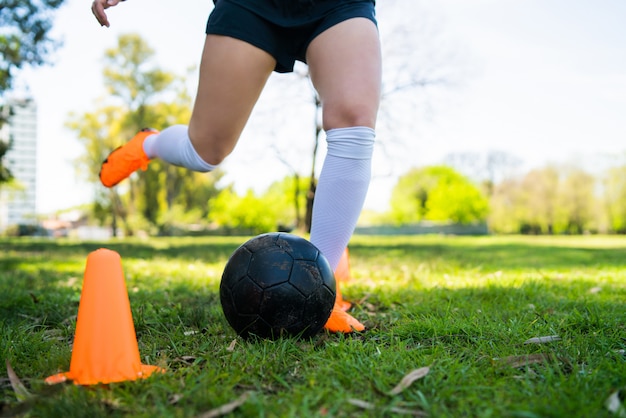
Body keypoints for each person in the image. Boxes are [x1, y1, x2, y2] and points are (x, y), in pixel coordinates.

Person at [91, 0, 381, 333]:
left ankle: (321, 297)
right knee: (205, 151)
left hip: (337, 6)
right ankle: (148, 144)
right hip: (251, 5)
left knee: (354, 123)